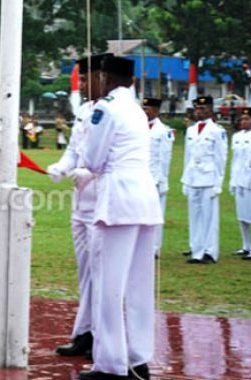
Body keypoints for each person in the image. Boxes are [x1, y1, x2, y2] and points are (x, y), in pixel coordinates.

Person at [79, 56, 162, 380]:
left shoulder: (107, 108)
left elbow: (93, 159)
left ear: (104, 76)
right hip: (144, 198)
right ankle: (138, 357)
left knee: (108, 286)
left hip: (117, 201)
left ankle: (111, 365)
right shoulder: (137, 109)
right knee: (139, 285)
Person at [47, 53, 113, 360]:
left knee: (103, 273)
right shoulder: (85, 110)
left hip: (105, 202)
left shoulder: (115, 111)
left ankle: (103, 336)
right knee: (85, 272)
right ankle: (84, 333)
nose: (83, 85)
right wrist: (61, 167)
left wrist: (90, 172)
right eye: (81, 79)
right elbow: (74, 151)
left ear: (104, 78)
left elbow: (115, 157)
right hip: (80, 205)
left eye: (86, 79)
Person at [181, 96, 227, 264]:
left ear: (210, 110)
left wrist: (218, 183)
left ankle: (210, 251)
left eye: (202, 109)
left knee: (209, 216)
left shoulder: (217, 130)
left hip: (209, 177)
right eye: (197, 109)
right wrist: (185, 179)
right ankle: (196, 248)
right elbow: (187, 156)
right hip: (193, 177)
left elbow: (221, 158)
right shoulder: (192, 130)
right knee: (194, 215)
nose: (198, 112)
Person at [143, 97, 174, 258]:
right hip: (140, 178)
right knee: (141, 214)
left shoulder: (163, 131)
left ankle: (154, 248)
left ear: (155, 111)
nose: (144, 111)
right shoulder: (139, 127)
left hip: (155, 179)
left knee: (155, 214)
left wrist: (162, 180)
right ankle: (143, 246)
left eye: (147, 109)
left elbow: (165, 158)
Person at [230, 108, 251, 260]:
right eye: (242, 119)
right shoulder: (236, 137)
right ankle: (245, 245)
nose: (244, 122)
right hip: (239, 179)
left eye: (247, 119)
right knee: (242, 215)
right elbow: (235, 160)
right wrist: (232, 180)